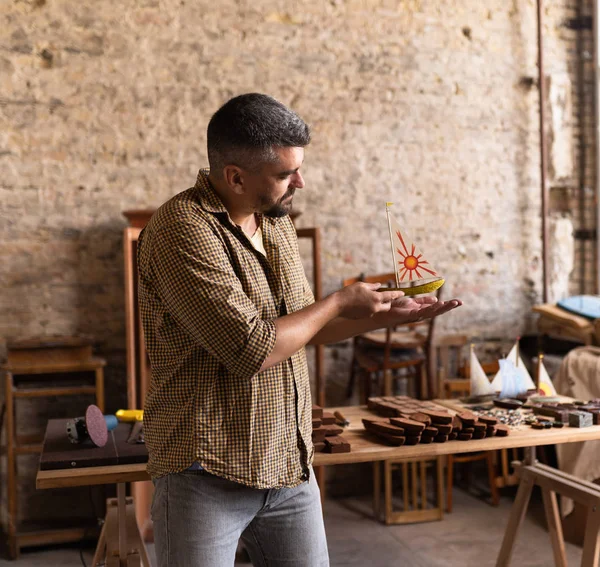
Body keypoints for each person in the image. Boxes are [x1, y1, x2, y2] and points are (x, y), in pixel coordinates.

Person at [137, 93, 462, 567]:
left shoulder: (275, 221)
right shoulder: (181, 230)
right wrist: (339, 300)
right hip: (205, 474)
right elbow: (253, 348)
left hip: (288, 467)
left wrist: (381, 317)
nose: (300, 183)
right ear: (235, 177)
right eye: (286, 174)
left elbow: (303, 327)